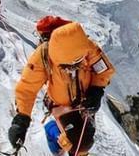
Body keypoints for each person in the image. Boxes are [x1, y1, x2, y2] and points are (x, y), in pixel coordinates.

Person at [8, 16, 115, 156]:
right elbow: (27, 88)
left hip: (85, 101)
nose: (71, 69)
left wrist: (96, 90)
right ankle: (57, 136)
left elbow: (104, 70)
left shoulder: (88, 47)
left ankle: (56, 132)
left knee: (86, 137)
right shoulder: (43, 55)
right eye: (66, 66)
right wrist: (21, 120)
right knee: (79, 145)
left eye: (77, 64)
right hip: (60, 104)